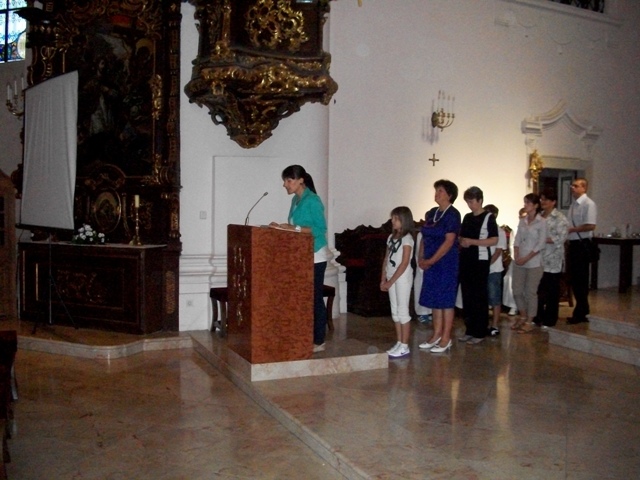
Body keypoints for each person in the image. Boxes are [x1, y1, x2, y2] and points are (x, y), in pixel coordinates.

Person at [270, 165, 329, 352]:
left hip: (315, 255)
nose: (285, 185)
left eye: (289, 180)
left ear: (300, 180)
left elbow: (320, 229)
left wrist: (293, 228)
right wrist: (281, 227)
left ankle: (319, 340)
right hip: (300, 255)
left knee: (314, 298)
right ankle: (303, 335)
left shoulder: (313, 200)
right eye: (285, 181)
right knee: (302, 297)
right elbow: (297, 227)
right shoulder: (296, 200)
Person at [417, 179, 461, 354]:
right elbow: (424, 236)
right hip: (430, 261)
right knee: (434, 299)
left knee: (445, 300)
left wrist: (432, 260)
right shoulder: (432, 213)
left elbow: (449, 241)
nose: (436, 194)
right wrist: (421, 257)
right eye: (436, 190)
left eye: (440, 191)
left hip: (445, 263)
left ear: (449, 195)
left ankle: (446, 337)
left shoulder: (453, 215)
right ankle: (436, 334)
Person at [458, 187, 499, 344]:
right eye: (467, 202)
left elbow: (494, 239)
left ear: (480, 200)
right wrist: (462, 241)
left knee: (479, 296)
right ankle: (469, 329)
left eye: (472, 201)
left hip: (480, 260)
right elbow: (462, 235)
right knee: (467, 295)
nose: (470, 205)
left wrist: (472, 242)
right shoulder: (467, 217)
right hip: (466, 259)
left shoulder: (488, 217)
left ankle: (480, 331)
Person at [380, 207, 415, 358]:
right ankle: (399, 342)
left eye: (396, 219)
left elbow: (404, 262)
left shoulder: (407, 239)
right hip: (391, 276)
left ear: (404, 220)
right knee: (395, 311)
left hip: (402, 278)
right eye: (392, 218)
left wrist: (391, 281)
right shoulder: (391, 237)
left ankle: (405, 345)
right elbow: (386, 258)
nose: (393, 221)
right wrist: (383, 278)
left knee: (402, 311)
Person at [511, 193, 547, 333]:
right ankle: (523, 315)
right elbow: (517, 239)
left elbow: (541, 243)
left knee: (530, 292)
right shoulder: (523, 221)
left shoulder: (542, 222)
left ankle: (530, 320)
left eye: (528, 203)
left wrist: (527, 257)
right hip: (520, 259)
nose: (525, 205)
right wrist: (516, 254)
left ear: (536, 205)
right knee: (517, 290)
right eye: (525, 202)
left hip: (534, 261)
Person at [535, 189, 569, 329]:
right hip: (539, 258)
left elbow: (560, 238)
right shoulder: (539, 216)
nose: (543, 202)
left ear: (553, 202)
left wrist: (542, 239)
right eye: (541, 199)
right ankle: (538, 316)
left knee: (551, 290)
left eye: (546, 200)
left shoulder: (560, 218)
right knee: (538, 289)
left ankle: (550, 319)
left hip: (553, 259)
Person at [566, 178, 597, 324]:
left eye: (576, 186)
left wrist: (572, 230)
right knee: (574, 278)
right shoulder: (573, 205)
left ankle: (581, 311)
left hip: (582, 244)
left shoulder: (589, 204)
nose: (572, 188)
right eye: (572, 185)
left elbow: (590, 225)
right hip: (573, 244)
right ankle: (582, 308)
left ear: (584, 188)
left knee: (581, 278)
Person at [484, 204, 507, 336]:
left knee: (494, 297)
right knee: (483, 297)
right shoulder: (483, 230)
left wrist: (487, 264)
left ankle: (495, 324)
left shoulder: (500, 232)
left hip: (494, 269)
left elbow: (498, 251)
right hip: (482, 268)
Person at [413, 230, 432, 324]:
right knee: (421, 285)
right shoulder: (422, 234)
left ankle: (432, 312)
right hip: (424, 266)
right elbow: (419, 253)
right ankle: (423, 313)